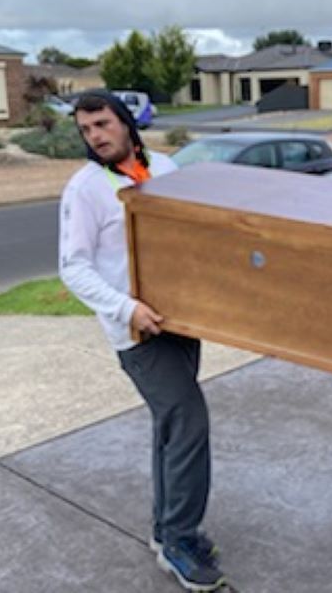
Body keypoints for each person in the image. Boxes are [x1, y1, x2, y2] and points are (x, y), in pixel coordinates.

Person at [58, 92, 225, 592]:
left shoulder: (167, 168)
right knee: (189, 422)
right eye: (86, 130)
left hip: (180, 322)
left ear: (127, 123)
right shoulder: (85, 189)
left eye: (102, 124)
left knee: (170, 428)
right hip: (137, 333)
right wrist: (126, 308)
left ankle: (164, 529)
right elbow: (73, 269)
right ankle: (179, 541)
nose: (95, 136)